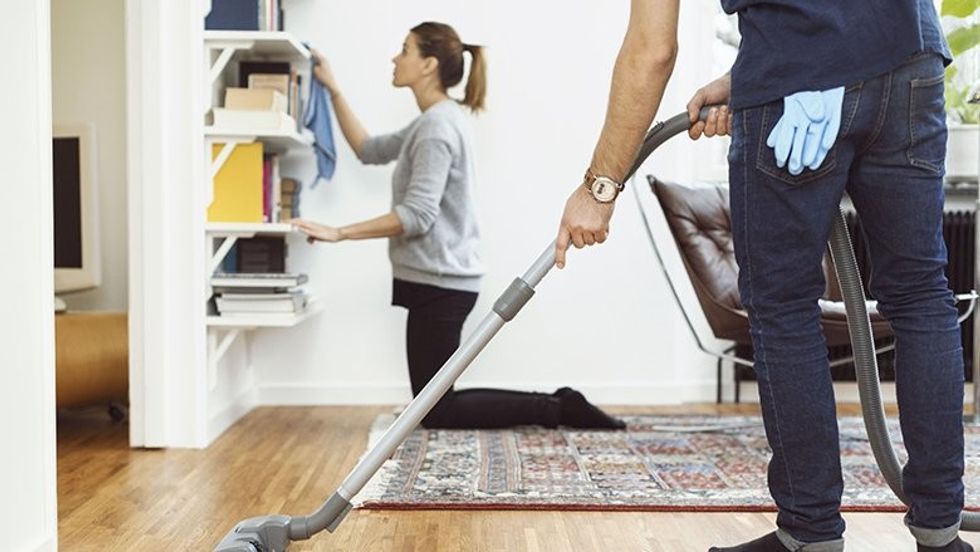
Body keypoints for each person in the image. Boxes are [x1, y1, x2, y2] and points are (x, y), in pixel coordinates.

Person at [554, 1, 969, 551]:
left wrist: (599, 187)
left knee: (782, 305)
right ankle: (942, 533)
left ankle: (810, 533)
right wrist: (749, 74)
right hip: (910, 60)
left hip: (797, 76)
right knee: (920, 294)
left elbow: (651, 50)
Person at [293, 21, 624, 431]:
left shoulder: (436, 128)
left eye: (405, 49)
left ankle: (559, 408)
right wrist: (333, 88)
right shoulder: (431, 121)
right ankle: (557, 406)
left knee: (434, 409)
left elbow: (417, 216)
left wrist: (339, 232)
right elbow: (368, 149)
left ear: (428, 64)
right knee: (431, 405)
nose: (395, 59)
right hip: (436, 279)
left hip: (440, 283)